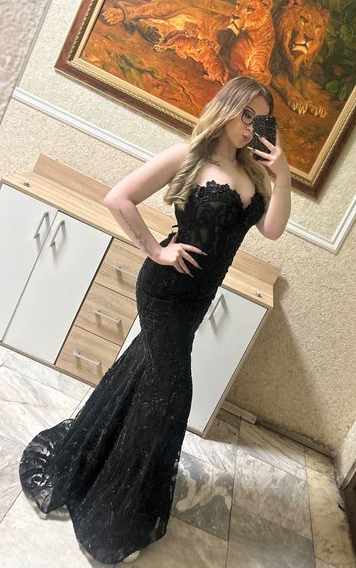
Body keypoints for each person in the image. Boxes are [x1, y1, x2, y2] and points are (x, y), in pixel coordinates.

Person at [18, 76, 291, 564]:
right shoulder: (188, 156)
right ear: (227, 108)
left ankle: (99, 458)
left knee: (142, 375)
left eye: (261, 118)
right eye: (246, 113)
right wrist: (155, 250)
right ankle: (119, 511)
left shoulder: (255, 174)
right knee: (171, 394)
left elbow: (272, 231)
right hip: (165, 290)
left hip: (198, 297)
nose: (252, 126)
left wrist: (283, 172)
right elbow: (118, 198)